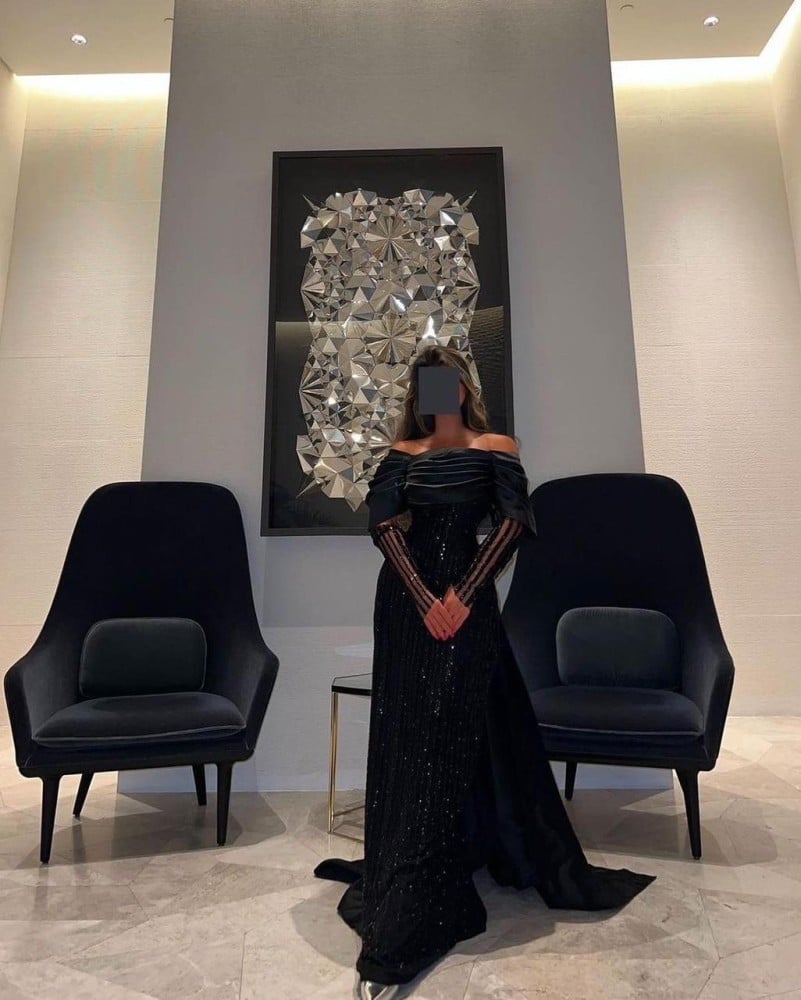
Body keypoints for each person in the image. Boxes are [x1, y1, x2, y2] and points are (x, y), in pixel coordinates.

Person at [314, 345, 655, 999]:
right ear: (419, 394)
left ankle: (439, 870)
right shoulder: (402, 453)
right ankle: (411, 881)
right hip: (406, 607)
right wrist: (425, 600)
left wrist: (462, 596)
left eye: (446, 382)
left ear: (464, 388)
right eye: (426, 384)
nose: (439, 393)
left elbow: (512, 523)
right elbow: (384, 528)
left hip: (467, 602)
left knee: (453, 731)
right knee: (413, 736)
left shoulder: (497, 445)